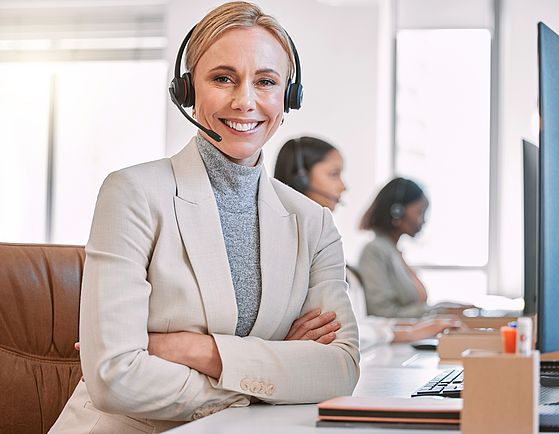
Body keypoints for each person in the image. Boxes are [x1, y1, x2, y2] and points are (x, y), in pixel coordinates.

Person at [50, 3, 359, 433]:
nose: (245, 100)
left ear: (288, 98)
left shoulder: (313, 223)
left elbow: (339, 369)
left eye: (266, 82)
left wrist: (194, 350)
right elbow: (112, 378)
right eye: (222, 78)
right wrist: (265, 378)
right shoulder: (133, 193)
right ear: (188, 91)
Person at [274, 137, 459, 349]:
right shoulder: (286, 250)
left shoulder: (324, 244)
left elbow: (351, 325)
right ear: (301, 180)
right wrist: (407, 332)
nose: (343, 187)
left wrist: (407, 330)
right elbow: (335, 330)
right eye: (334, 174)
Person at [358, 178, 469, 318]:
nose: (423, 220)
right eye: (419, 212)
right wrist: (438, 312)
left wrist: (447, 308)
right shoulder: (374, 251)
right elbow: (382, 313)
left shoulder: (394, 252)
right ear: (397, 211)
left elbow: (418, 307)